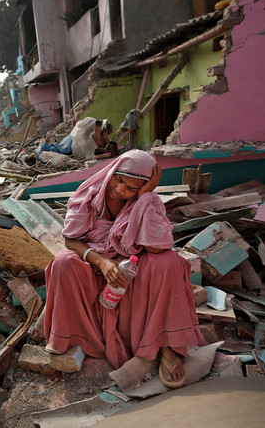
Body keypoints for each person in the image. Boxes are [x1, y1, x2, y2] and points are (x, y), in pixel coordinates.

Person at [43, 149, 204, 388]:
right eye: (119, 180)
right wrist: (102, 262)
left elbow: (157, 248)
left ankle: (165, 345)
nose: (120, 190)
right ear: (113, 171)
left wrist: (145, 197)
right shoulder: (89, 196)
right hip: (95, 265)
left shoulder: (146, 200)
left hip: (132, 267)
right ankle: (77, 337)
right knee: (64, 262)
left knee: (170, 262)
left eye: (131, 188)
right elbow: (70, 240)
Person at [37, 117, 113, 162]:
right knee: (63, 151)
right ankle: (44, 147)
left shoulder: (98, 134)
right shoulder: (92, 122)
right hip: (72, 141)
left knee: (64, 154)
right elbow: (79, 128)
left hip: (75, 147)